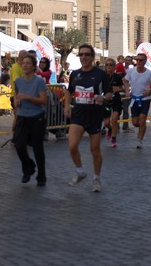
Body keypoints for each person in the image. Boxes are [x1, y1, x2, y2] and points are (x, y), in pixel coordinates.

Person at [64, 44, 112, 193]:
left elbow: (110, 93)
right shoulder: (75, 74)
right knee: (72, 147)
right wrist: (66, 106)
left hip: (94, 116)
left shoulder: (100, 74)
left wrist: (102, 98)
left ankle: (96, 179)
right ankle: (80, 172)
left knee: (95, 150)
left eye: (86, 55)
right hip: (78, 115)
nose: (83, 57)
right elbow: (69, 91)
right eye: (81, 55)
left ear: (92, 57)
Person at [13, 55, 48, 186]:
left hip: (37, 117)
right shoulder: (18, 81)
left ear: (34, 66)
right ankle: (28, 167)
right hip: (22, 117)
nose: (25, 65)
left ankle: (41, 175)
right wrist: (16, 102)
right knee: (19, 145)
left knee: (38, 148)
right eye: (23, 63)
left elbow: (43, 100)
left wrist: (27, 97)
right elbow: (16, 96)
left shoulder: (39, 81)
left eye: (28, 63)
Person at [123, 53, 151, 149]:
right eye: (137, 60)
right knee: (135, 122)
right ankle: (143, 126)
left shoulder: (149, 73)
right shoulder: (131, 71)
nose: (139, 62)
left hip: (145, 99)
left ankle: (139, 140)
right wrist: (127, 91)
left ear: (145, 61)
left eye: (141, 60)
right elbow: (125, 81)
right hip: (134, 99)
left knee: (142, 119)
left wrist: (149, 91)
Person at [103, 58, 123, 147]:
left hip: (116, 100)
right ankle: (110, 130)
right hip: (106, 101)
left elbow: (122, 87)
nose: (109, 66)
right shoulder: (103, 77)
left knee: (114, 120)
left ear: (114, 67)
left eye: (111, 65)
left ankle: (114, 139)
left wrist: (118, 89)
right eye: (107, 65)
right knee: (106, 123)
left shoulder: (118, 77)